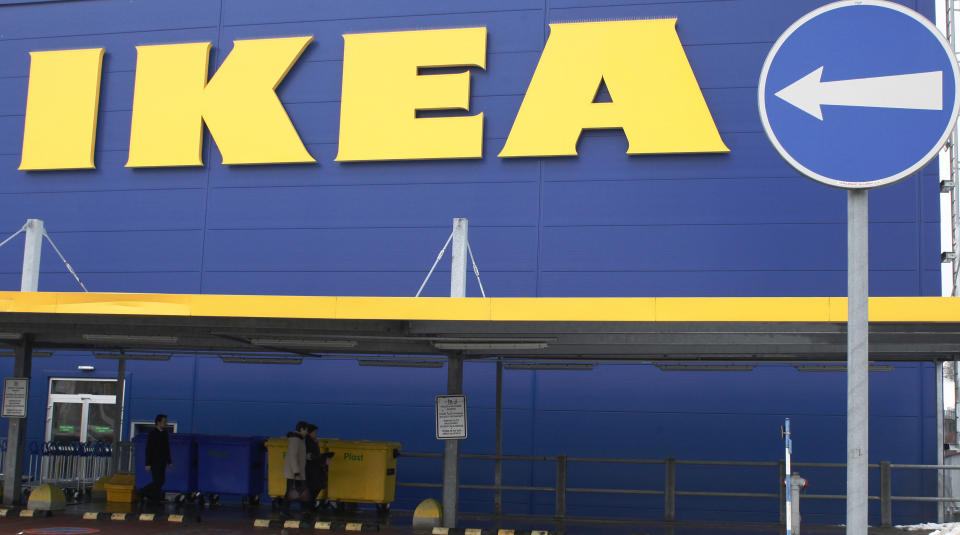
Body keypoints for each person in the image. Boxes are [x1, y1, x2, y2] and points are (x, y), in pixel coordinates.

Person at [142, 414, 172, 502]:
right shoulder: (153, 434)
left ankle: (153, 496)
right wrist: (147, 463)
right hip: (154, 461)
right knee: (158, 480)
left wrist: (169, 461)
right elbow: (149, 449)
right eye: (164, 422)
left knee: (161, 480)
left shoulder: (164, 434)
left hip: (162, 461)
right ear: (158, 422)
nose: (166, 423)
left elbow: (167, 448)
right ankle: (143, 492)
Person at [282, 421, 309, 516]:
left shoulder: (300, 439)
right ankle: (286, 511)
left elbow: (299, 455)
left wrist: (307, 457)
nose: (307, 432)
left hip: (297, 471)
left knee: (295, 491)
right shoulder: (295, 440)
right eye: (306, 430)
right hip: (294, 472)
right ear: (301, 429)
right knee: (293, 491)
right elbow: (293, 456)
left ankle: (287, 511)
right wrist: (296, 471)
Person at [304, 424, 333, 510]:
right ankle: (308, 508)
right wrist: (323, 458)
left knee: (315, 488)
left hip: (314, 468)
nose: (316, 433)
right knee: (313, 488)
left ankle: (309, 507)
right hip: (311, 469)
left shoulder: (313, 441)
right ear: (310, 432)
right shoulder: (308, 441)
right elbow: (310, 455)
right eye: (315, 432)